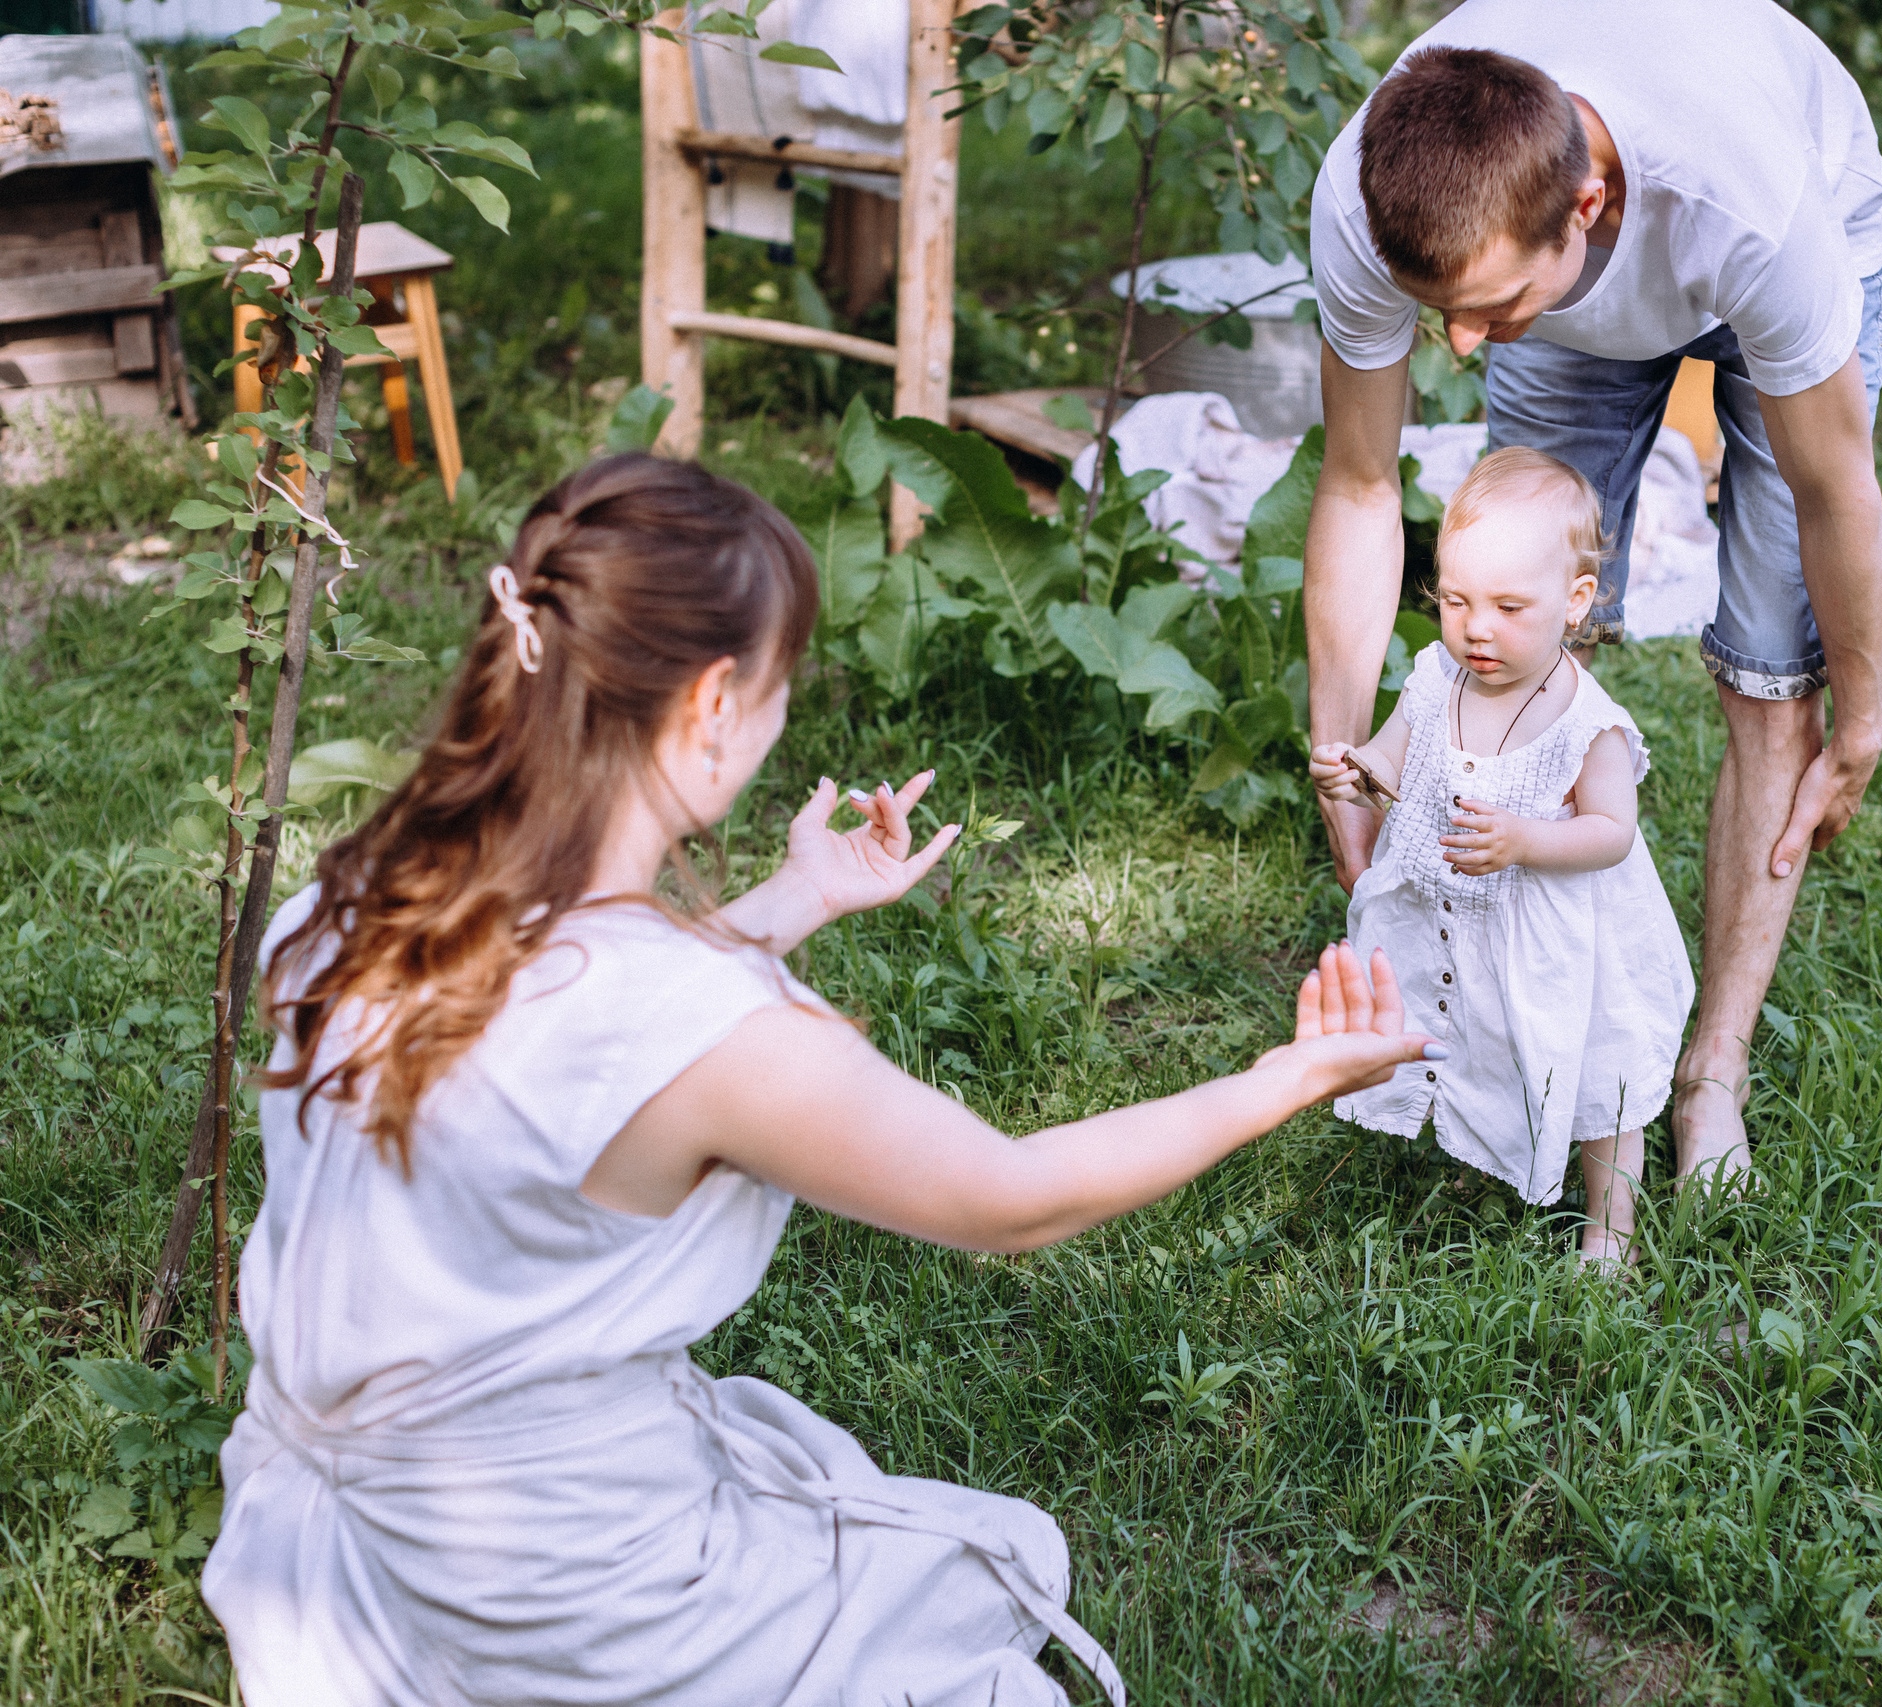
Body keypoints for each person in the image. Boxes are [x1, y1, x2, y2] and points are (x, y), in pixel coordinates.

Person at [201, 455, 1434, 1707]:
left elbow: (565, 1030)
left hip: (338, 1541)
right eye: (785, 686)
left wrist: (799, 897)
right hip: (561, 1597)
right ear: (717, 701)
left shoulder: (347, 905)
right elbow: (1010, 1198)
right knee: (955, 1619)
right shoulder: (717, 1035)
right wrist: (1288, 1076)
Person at [1303, 1, 1882, 1188]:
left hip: (1780, 227)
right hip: (1577, 287)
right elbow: (1363, 484)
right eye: (1441, 314)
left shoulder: (1754, 209)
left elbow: (1834, 487)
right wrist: (1340, 749)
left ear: (1584, 207)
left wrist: (1867, 709)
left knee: (1773, 667)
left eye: (1487, 310)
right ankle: (1525, 1010)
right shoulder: (1372, 203)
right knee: (1523, 613)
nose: (1463, 347)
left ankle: (1708, 1071)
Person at [1310, 449, 1694, 1264]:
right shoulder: (1436, 674)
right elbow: (1393, 756)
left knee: (1598, 1078)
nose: (1476, 627)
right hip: (1461, 917)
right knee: (1482, 1037)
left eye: (1509, 606)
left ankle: (1608, 1227)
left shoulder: (1587, 722)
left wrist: (1525, 841)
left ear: (1574, 602)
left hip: (1566, 936)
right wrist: (1358, 771)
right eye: (1455, 599)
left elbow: (1612, 832)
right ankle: (1482, 1152)